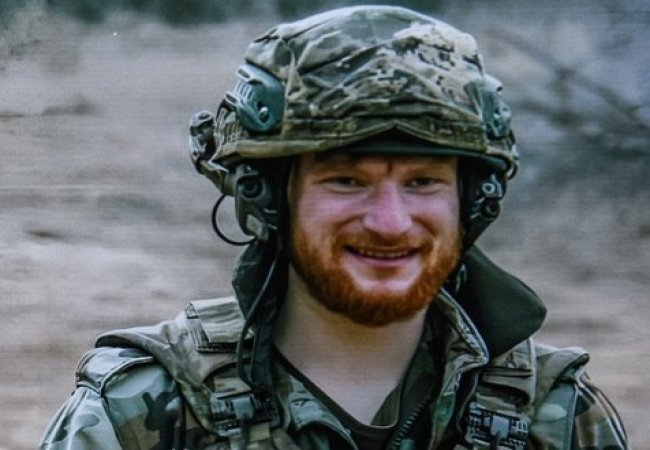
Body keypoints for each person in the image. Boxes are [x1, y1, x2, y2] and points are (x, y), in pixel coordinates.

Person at [40, 5, 627, 450]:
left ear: (471, 201)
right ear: (269, 196)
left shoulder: (554, 416)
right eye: (346, 180)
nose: (391, 222)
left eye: (423, 181)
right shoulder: (140, 412)